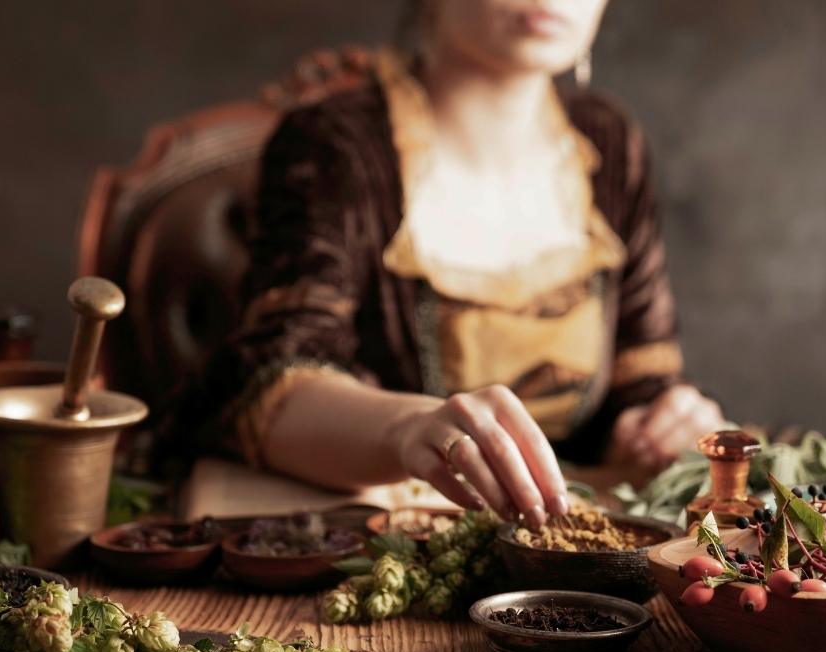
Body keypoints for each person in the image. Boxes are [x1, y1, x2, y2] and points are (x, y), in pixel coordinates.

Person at [177, 0, 724, 528]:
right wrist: (410, 429)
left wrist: (659, 423)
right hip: (392, 539)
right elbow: (267, 382)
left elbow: (641, 374)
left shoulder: (608, 141)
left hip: (566, 538)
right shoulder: (334, 145)